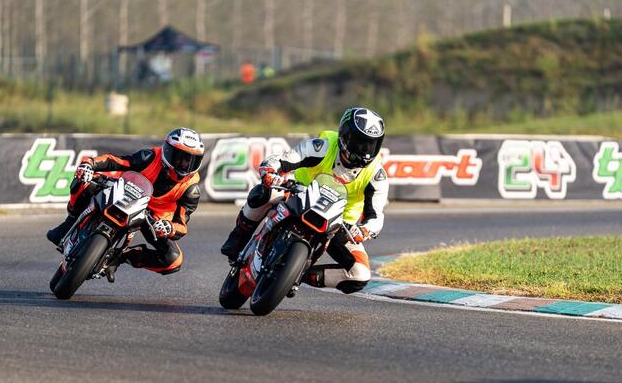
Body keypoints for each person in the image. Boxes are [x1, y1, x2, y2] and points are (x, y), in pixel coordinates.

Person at [220, 107, 389, 294]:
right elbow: (287, 159)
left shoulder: (376, 174)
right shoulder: (324, 145)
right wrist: (270, 171)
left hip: (339, 223)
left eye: (371, 145)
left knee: (360, 274)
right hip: (300, 193)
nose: (366, 151)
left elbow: (376, 214)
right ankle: (238, 238)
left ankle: (298, 274)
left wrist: (365, 230)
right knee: (264, 193)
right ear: (345, 137)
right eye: (360, 143)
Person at [47, 128, 204, 280]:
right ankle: (69, 222)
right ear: (168, 152)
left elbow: (182, 224)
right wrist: (90, 164)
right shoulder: (149, 157)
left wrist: (169, 228)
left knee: (174, 260)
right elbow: (117, 161)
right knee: (84, 180)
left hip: (153, 219)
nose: (184, 164)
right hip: (128, 192)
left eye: (190, 160)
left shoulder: (191, 189)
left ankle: (120, 257)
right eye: (179, 157)